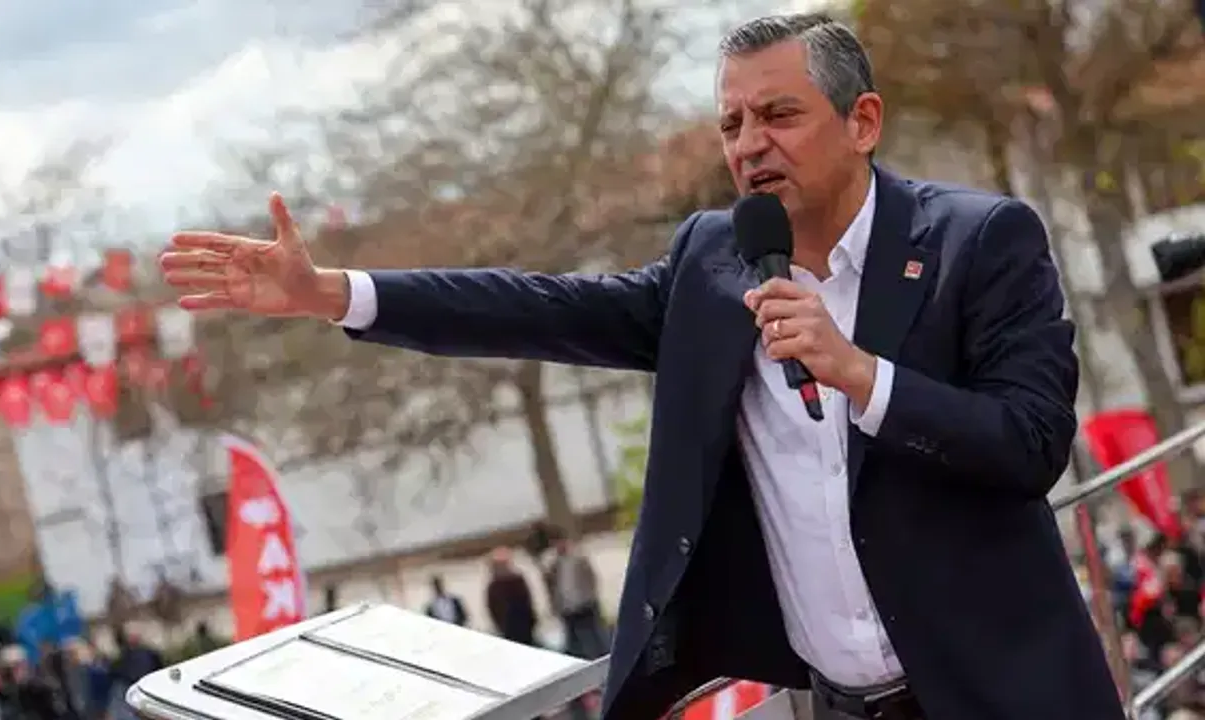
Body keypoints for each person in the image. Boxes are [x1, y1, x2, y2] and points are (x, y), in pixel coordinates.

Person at [159, 12, 1120, 720]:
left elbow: (1031, 443)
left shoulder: (980, 241)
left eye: (779, 114)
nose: (751, 145)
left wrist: (863, 375)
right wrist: (336, 293)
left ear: (862, 121)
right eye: (732, 124)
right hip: (835, 703)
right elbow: (538, 308)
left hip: (1008, 693)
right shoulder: (714, 261)